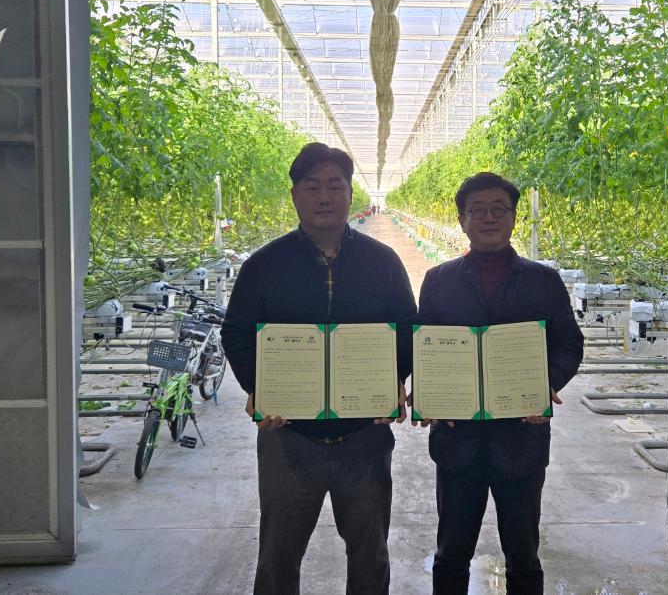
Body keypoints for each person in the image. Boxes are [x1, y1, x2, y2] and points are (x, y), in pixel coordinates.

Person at [221, 142, 417, 595]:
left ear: (351, 194)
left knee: (369, 555)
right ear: (295, 195)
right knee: (277, 557)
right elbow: (237, 332)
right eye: (312, 187)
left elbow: (407, 327)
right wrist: (258, 386)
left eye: (335, 185)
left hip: (364, 436)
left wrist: (394, 380)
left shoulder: (382, 262)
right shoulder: (264, 265)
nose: (324, 196)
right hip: (289, 436)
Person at [414, 172, 584, 595]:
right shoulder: (438, 280)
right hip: (457, 441)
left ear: (513, 217)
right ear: (462, 221)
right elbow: (424, 347)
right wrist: (427, 393)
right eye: (478, 210)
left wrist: (545, 384)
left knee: (523, 556)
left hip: (521, 440)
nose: (489, 218)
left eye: (498, 209)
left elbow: (569, 344)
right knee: (451, 554)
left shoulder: (543, 280)